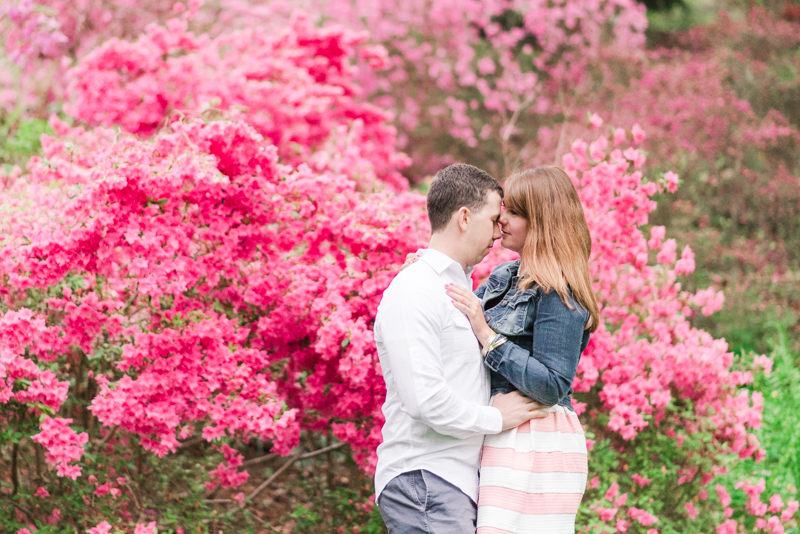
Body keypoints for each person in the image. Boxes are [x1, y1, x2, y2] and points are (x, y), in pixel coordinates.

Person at [373, 163, 548, 534]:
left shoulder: (460, 292)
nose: (498, 233)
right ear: (464, 217)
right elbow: (425, 400)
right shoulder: (415, 290)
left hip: (450, 485)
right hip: (425, 480)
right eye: (492, 219)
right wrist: (496, 418)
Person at [445, 166, 599, 534]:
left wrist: (488, 336)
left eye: (513, 213)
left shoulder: (560, 293)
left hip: (538, 438)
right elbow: (458, 315)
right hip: (504, 428)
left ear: (542, 221)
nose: (502, 221)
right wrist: (431, 272)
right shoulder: (504, 277)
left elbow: (552, 384)